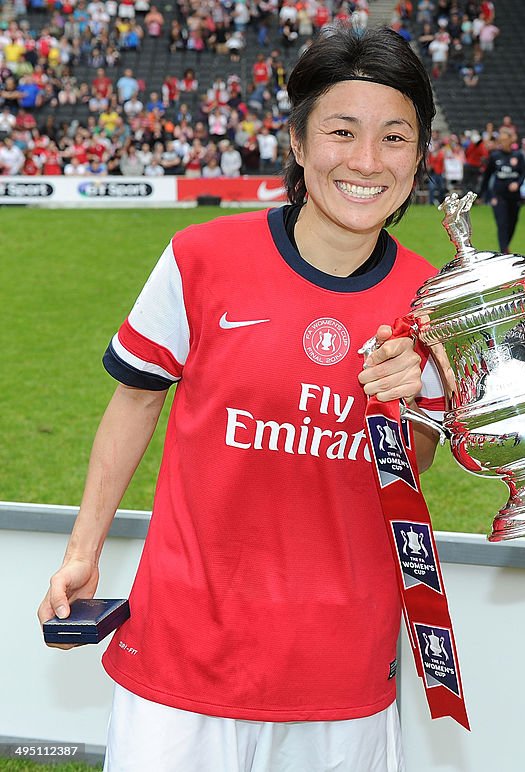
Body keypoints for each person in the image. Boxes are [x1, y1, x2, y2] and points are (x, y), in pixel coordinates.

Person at [38, 26, 446, 772]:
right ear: (297, 142)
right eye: (342, 131)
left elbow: (410, 474)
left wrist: (412, 401)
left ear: (419, 159)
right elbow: (134, 402)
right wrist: (81, 552)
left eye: (394, 137)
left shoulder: (436, 303)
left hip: (340, 659)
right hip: (187, 641)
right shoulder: (201, 258)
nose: (366, 161)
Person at [479, 126, 525, 252]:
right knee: (502, 224)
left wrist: (518, 183)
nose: (503, 142)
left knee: (512, 223)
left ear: (511, 140)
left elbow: (523, 173)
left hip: (514, 197)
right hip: (499, 196)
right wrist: (482, 195)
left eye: (505, 139)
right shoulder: (495, 156)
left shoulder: (518, 156)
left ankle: (505, 246)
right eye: (501, 140)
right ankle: (504, 251)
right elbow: (487, 176)